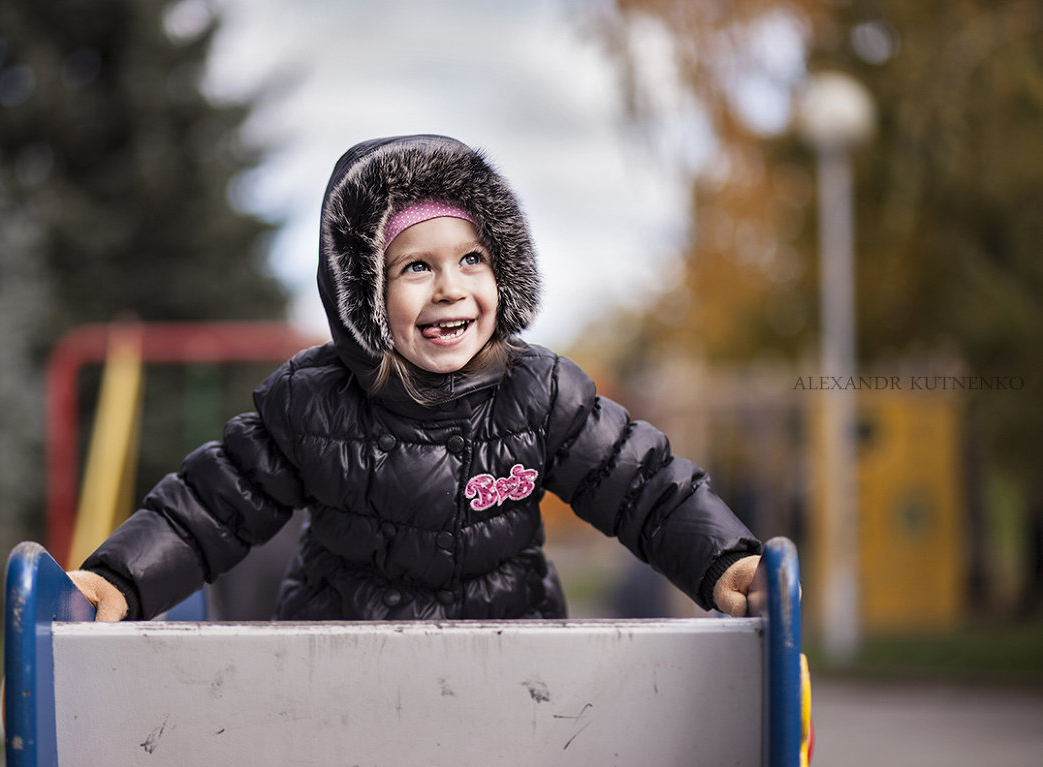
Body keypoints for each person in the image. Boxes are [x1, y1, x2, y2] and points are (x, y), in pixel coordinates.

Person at [69, 134, 762, 623]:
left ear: (503, 272)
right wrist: (118, 577)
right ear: (364, 293)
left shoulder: (540, 394)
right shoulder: (311, 404)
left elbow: (644, 486)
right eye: (416, 267)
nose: (451, 289)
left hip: (508, 663)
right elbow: (210, 507)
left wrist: (724, 562)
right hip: (337, 668)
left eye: (471, 260)